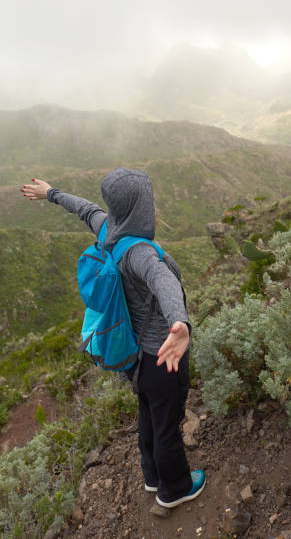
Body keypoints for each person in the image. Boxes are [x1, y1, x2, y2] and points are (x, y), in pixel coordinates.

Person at [21, 168, 206, 508]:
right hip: (163, 356)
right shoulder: (140, 253)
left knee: (149, 416)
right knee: (167, 425)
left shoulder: (107, 227)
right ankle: (175, 490)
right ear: (141, 207)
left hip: (135, 358)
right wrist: (179, 323)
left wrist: (51, 193)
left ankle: (152, 477)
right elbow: (162, 279)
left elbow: (85, 209)